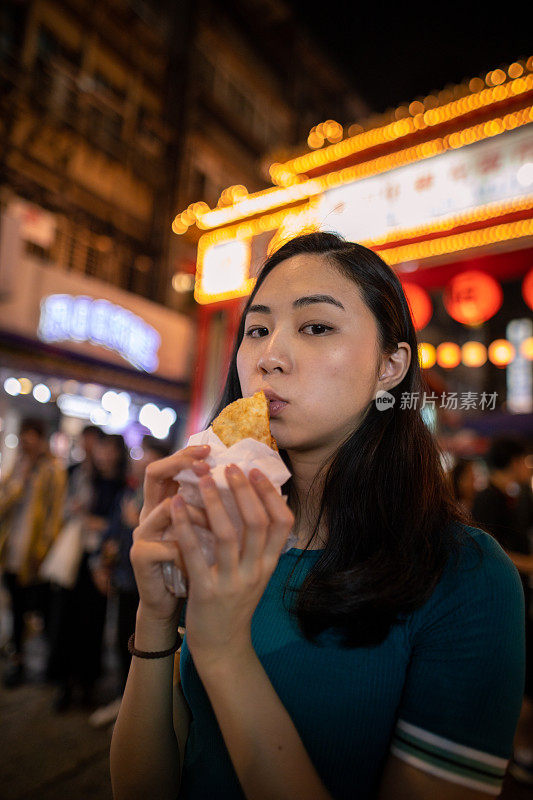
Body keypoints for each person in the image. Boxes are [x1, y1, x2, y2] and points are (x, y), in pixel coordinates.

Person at [111, 233, 525, 800]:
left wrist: (225, 650)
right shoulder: (224, 538)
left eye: (317, 328)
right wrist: (156, 616)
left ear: (390, 366)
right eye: (257, 329)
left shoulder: (468, 576)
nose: (269, 357)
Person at [89, 436, 171, 728]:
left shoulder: (168, 497)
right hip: (124, 579)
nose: (139, 460)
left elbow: (168, 540)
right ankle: (123, 699)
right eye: (139, 454)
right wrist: (101, 561)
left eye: (146, 454)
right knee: (122, 639)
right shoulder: (129, 491)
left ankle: (137, 712)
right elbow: (111, 531)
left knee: (144, 646)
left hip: (148, 587)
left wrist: (136, 522)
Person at [48, 432, 128, 710]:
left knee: (92, 624)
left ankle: (87, 684)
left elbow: (117, 527)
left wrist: (93, 521)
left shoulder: (123, 485)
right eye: (102, 449)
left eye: (111, 450)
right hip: (77, 559)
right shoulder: (82, 478)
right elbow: (66, 512)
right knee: (65, 620)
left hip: (103, 563)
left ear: (119, 454)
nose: (105, 455)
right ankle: (64, 684)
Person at [472, 437, 533, 785]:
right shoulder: (489, 499)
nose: (527, 467)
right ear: (510, 461)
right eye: (524, 460)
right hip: (498, 603)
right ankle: (513, 754)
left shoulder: (513, 497)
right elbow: (492, 552)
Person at [0, 417, 66, 687]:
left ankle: (48, 664)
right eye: (25, 436)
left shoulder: (53, 469)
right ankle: (18, 658)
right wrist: (20, 480)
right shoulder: (16, 465)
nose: (28, 442)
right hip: (11, 548)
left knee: (36, 609)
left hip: (35, 554)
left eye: (33, 436)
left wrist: (44, 550)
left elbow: (54, 515)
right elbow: (3, 503)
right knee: (16, 607)